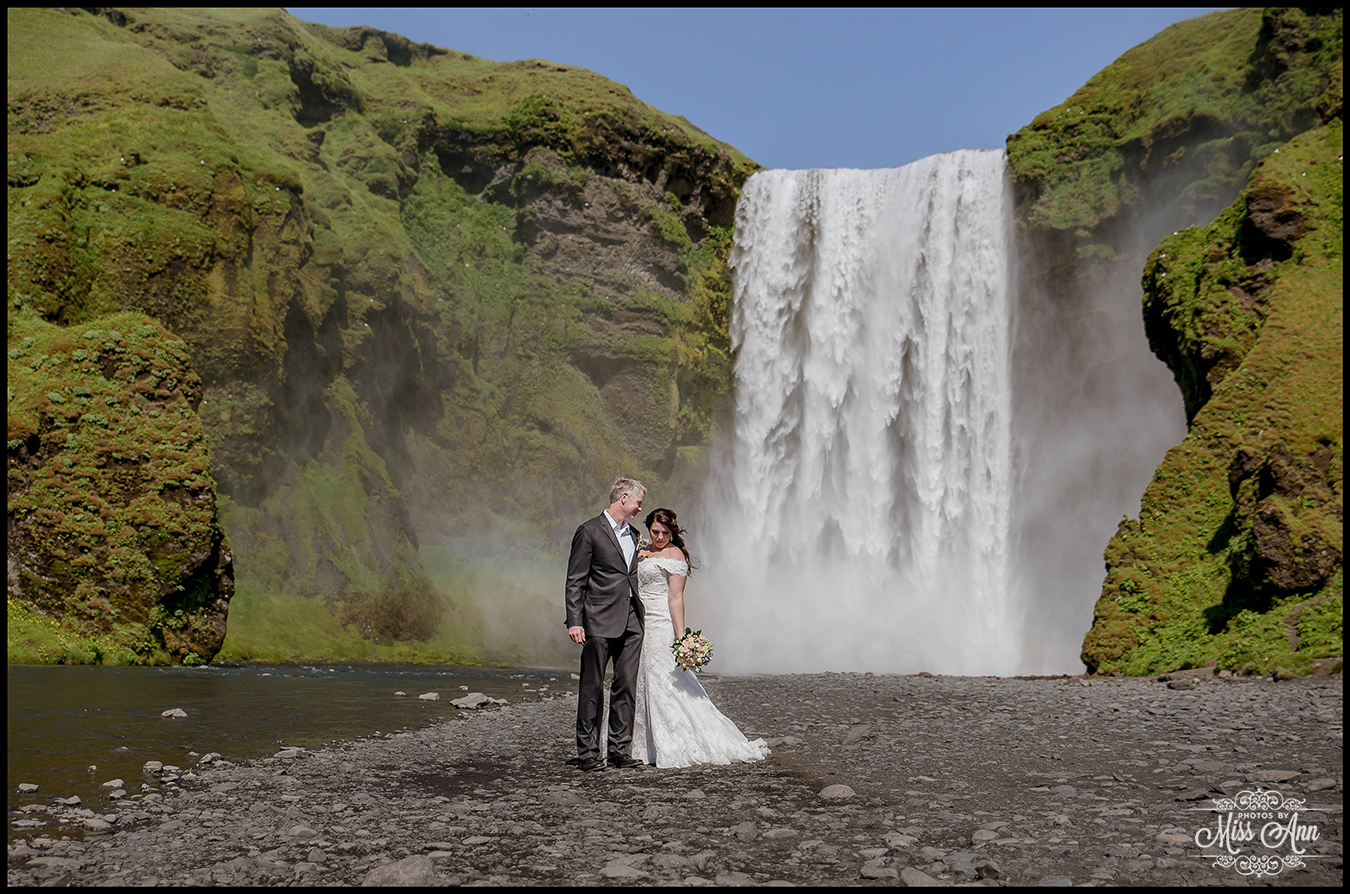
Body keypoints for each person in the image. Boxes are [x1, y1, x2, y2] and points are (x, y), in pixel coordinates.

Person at [630, 507, 769, 768]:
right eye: (655, 531)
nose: (660, 537)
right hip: (638, 620)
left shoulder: (675, 555)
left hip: (660, 623)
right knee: (639, 678)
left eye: (665, 532)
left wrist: (681, 638)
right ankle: (640, 744)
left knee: (663, 679)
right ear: (648, 528)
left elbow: (675, 597)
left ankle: (671, 743)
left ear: (673, 531)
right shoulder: (642, 551)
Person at [564, 476, 647, 772]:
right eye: (638, 502)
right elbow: (575, 580)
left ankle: (619, 750)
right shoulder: (588, 531)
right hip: (597, 620)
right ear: (624, 498)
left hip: (632, 621)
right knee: (592, 686)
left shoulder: (636, 534)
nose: (640, 508)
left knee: (626, 686)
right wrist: (575, 621)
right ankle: (587, 752)